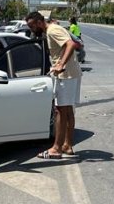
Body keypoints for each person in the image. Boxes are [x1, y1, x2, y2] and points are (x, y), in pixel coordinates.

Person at [26, 11, 82, 159]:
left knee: (60, 111)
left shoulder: (52, 30)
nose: (32, 30)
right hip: (71, 73)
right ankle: (67, 146)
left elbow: (71, 44)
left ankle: (56, 148)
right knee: (68, 110)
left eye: (32, 26)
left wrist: (61, 64)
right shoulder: (53, 30)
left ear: (39, 22)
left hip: (65, 75)